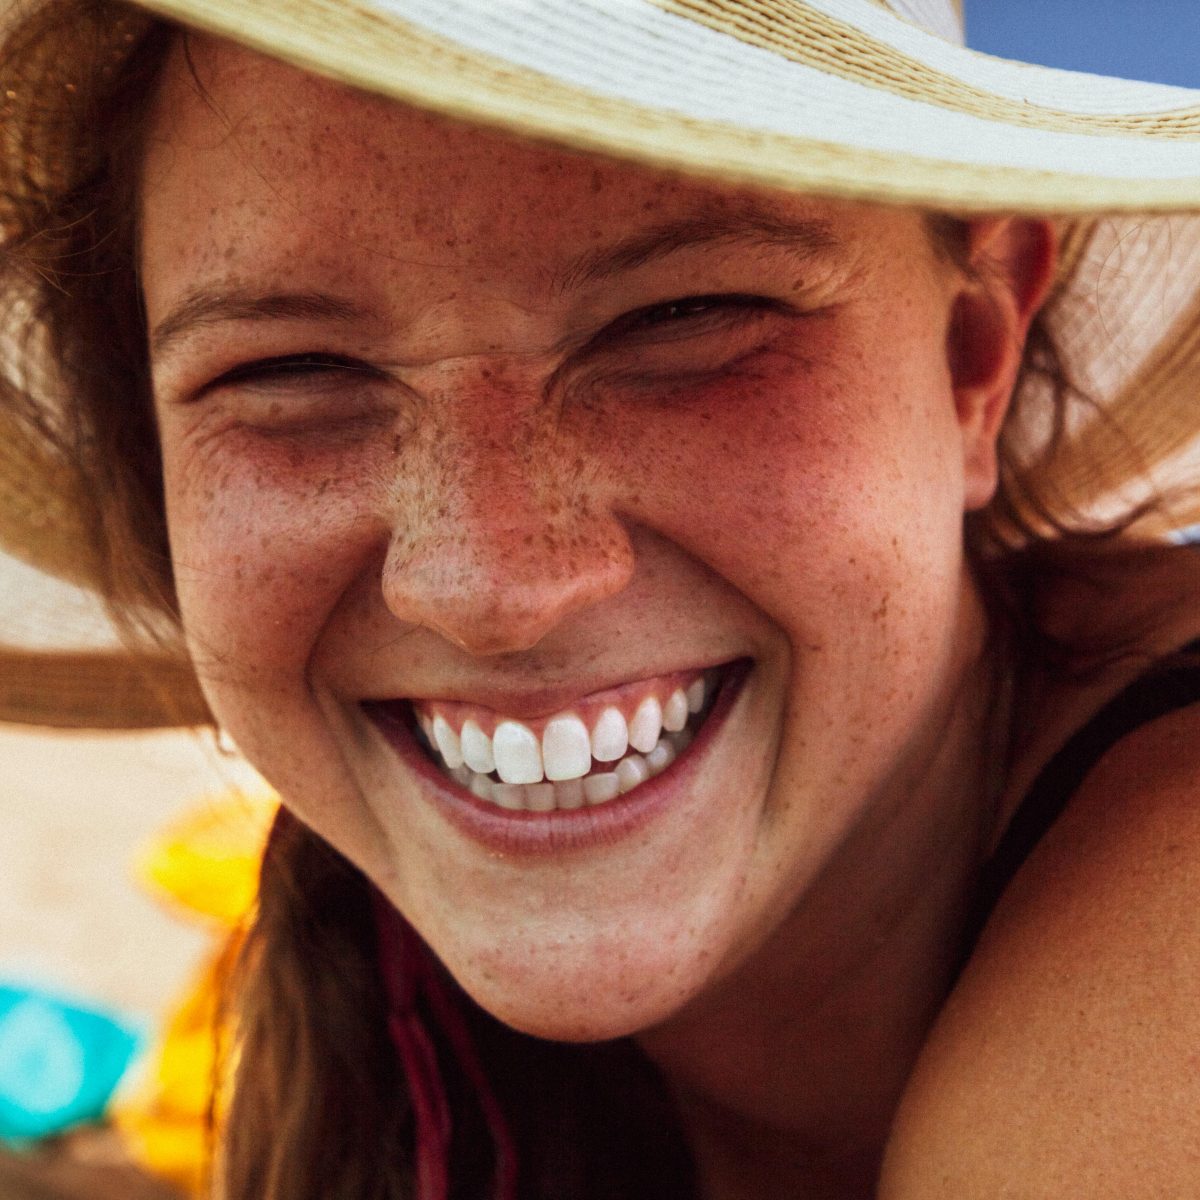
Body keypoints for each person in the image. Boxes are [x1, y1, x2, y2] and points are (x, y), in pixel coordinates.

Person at [3, 0, 1200, 1196]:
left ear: (972, 355)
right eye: (291, 371)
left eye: (680, 321)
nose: (492, 588)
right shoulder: (372, 1006)